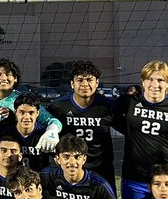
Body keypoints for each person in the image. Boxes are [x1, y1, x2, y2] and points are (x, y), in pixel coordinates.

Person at [114, 60, 168, 199]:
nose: (154, 84)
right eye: (150, 79)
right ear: (142, 82)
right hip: (133, 176)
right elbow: (110, 116)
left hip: (162, 179)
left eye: (160, 80)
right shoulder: (128, 102)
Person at [47, 60, 119, 190]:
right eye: (80, 80)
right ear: (72, 84)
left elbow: (128, 129)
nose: (85, 84)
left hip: (100, 169)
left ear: (97, 83)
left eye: (89, 80)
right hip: (70, 169)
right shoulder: (58, 107)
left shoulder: (108, 107)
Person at [0, 58, 61, 150]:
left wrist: (52, 131)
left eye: (8, 74)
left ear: (15, 78)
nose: (3, 78)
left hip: (13, 150)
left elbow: (53, 121)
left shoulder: (23, 100)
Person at [3, 93, 52, 172]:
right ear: (16, 112)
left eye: (31, 113)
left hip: (38, 181)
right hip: (12, 181)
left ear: (37, 113)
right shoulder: (5, 134)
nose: (26, 117)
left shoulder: (44, 134)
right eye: (22, 112)